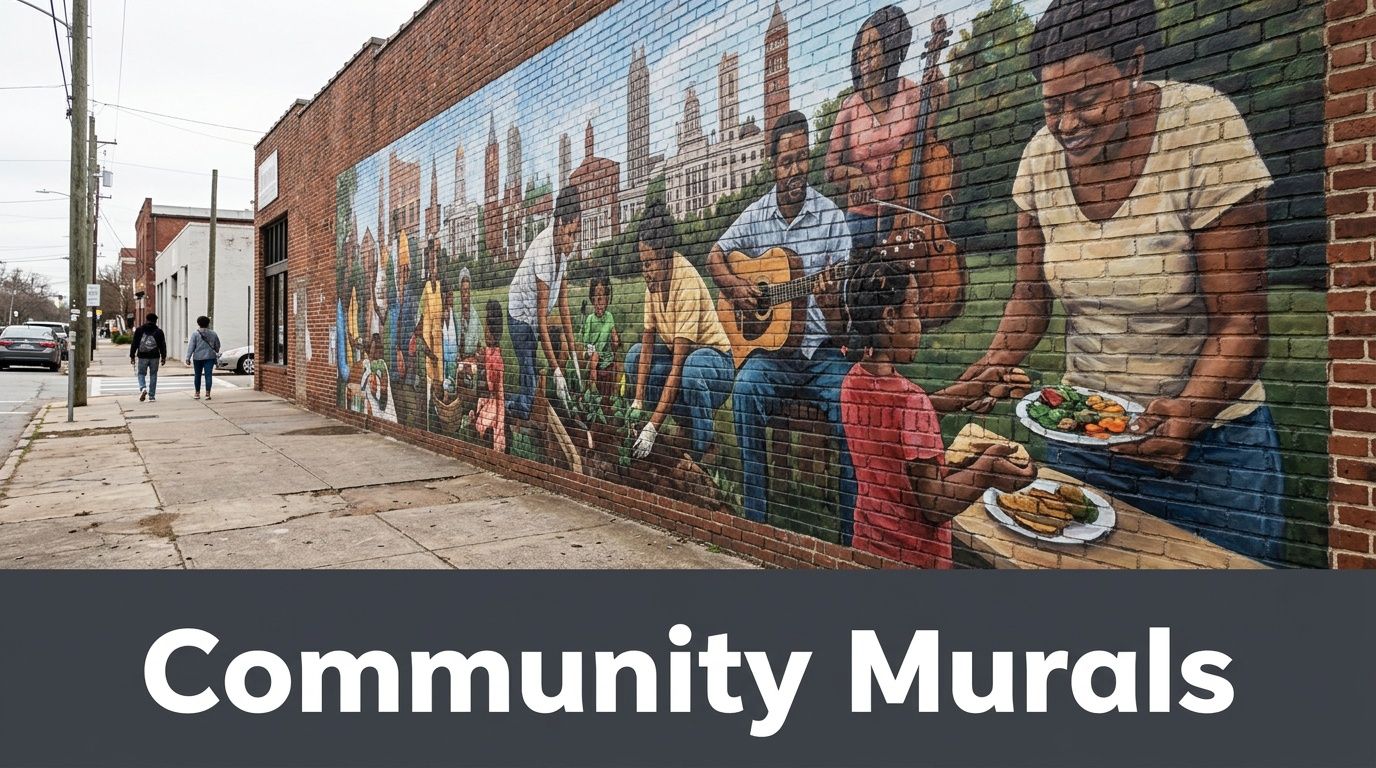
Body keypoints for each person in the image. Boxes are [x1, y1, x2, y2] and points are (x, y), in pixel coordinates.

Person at [941, 0, 1284, 562]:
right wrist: (988, 367)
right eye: (1053, 105)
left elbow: (1241, 320)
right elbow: (1030, 297)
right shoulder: (1039, 160)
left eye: (1087, 99)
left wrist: (1189, 414)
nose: (1067, 124)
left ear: (1134, 65)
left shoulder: (1204, 128)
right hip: (1083, 434)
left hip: (1213, 451)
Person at [706, 110, 857, 541]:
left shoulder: (831, 220)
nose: (795, 170)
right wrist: (737, 289)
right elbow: (716, 257)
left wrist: (829, 302)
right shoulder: (756, 216)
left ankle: (850, 538)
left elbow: (843, 328)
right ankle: (757, 523)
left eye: (801, 158)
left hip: (818, 354)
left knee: (850, 402)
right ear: (774, 164)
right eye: (786, 161)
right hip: (772, 357)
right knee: (746, 392)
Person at [842, 258, 1035, 568]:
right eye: (915, 311)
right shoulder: (911, 402)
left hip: (869, 543)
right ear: (891, 318)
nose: (921, 323)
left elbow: (908, 419)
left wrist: (983, 381)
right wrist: (988, 467)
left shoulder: (854, 380)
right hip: (918, 557)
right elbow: (935, 504)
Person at [626, 201, 734, 468]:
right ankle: (681, 425)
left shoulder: (684, 281)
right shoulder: (652, 286)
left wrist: (651, 426)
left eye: (649, 263)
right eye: (643, 263)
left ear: (664, 255)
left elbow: (677, 366)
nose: (645, 270)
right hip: (681, 360)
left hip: (714, 363)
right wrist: (638, 402)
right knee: (634, 356)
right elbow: (648, 347)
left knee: (691, 369)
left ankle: (703, 450)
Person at [825, 5, 920, 250]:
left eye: (873, 45)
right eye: (861, 48)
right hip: (861, 219)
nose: (864, 55)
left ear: (891, 49)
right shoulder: (850, 107)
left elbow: (930, 150)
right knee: (857, 283)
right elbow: (830, 169)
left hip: (905, 214)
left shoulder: (913, 95)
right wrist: (854, 175)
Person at [506, 184, 581, 420]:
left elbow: (564, 306)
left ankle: (541, 401)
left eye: (575, 235)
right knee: (529, 377)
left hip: (535, 317)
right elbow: (541, 320)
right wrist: (557, 371)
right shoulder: (544, 251)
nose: (573, 242)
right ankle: (509, 409)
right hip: (520, 317)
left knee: (540, 370)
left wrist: (574, 352)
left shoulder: (562, 252)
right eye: (570, 234)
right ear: (559, 226)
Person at [579, 267, 620, 399]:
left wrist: (615, 340)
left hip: (606, 356)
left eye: (601, 299)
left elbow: (614, 336)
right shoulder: (590, 319)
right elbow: (587, 342)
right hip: (593, 356)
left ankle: (615, 394)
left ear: (607, 299)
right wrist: (590, 352)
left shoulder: (609, 317)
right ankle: (593, 386)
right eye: (595, 299)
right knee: (595, 356)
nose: (598, 304)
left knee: (616, 365)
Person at [472, 300, 507, 453]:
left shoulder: (496, 361)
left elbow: (500, 398)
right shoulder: (488, 353)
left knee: (480, 425)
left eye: (486, 326)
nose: (484, 330)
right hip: (486, 401)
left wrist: (499, 433)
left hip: (493, 404)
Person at [129, 312, 167, 403]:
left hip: (142, 356)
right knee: (153, 375)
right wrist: (163, 357)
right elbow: (162, 345)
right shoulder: (159, 331)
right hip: (155, 357)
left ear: (147, 319)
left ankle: (143, 388)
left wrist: (132, 356)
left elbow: (134, 343)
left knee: (141, 373)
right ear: (155, 321)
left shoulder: (139, 330)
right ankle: (152, 396)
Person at [184, 315, 221, 401]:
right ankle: (208, 393)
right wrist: (215, 350)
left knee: (197, 375)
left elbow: (191, 347)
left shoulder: (195, 334)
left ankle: (197, 393)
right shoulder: (213, 333)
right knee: (208, 375)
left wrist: (188, 358)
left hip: (197, 357)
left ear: (198, 323)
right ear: (208, 323)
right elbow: (217, 346)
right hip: (210, 357)